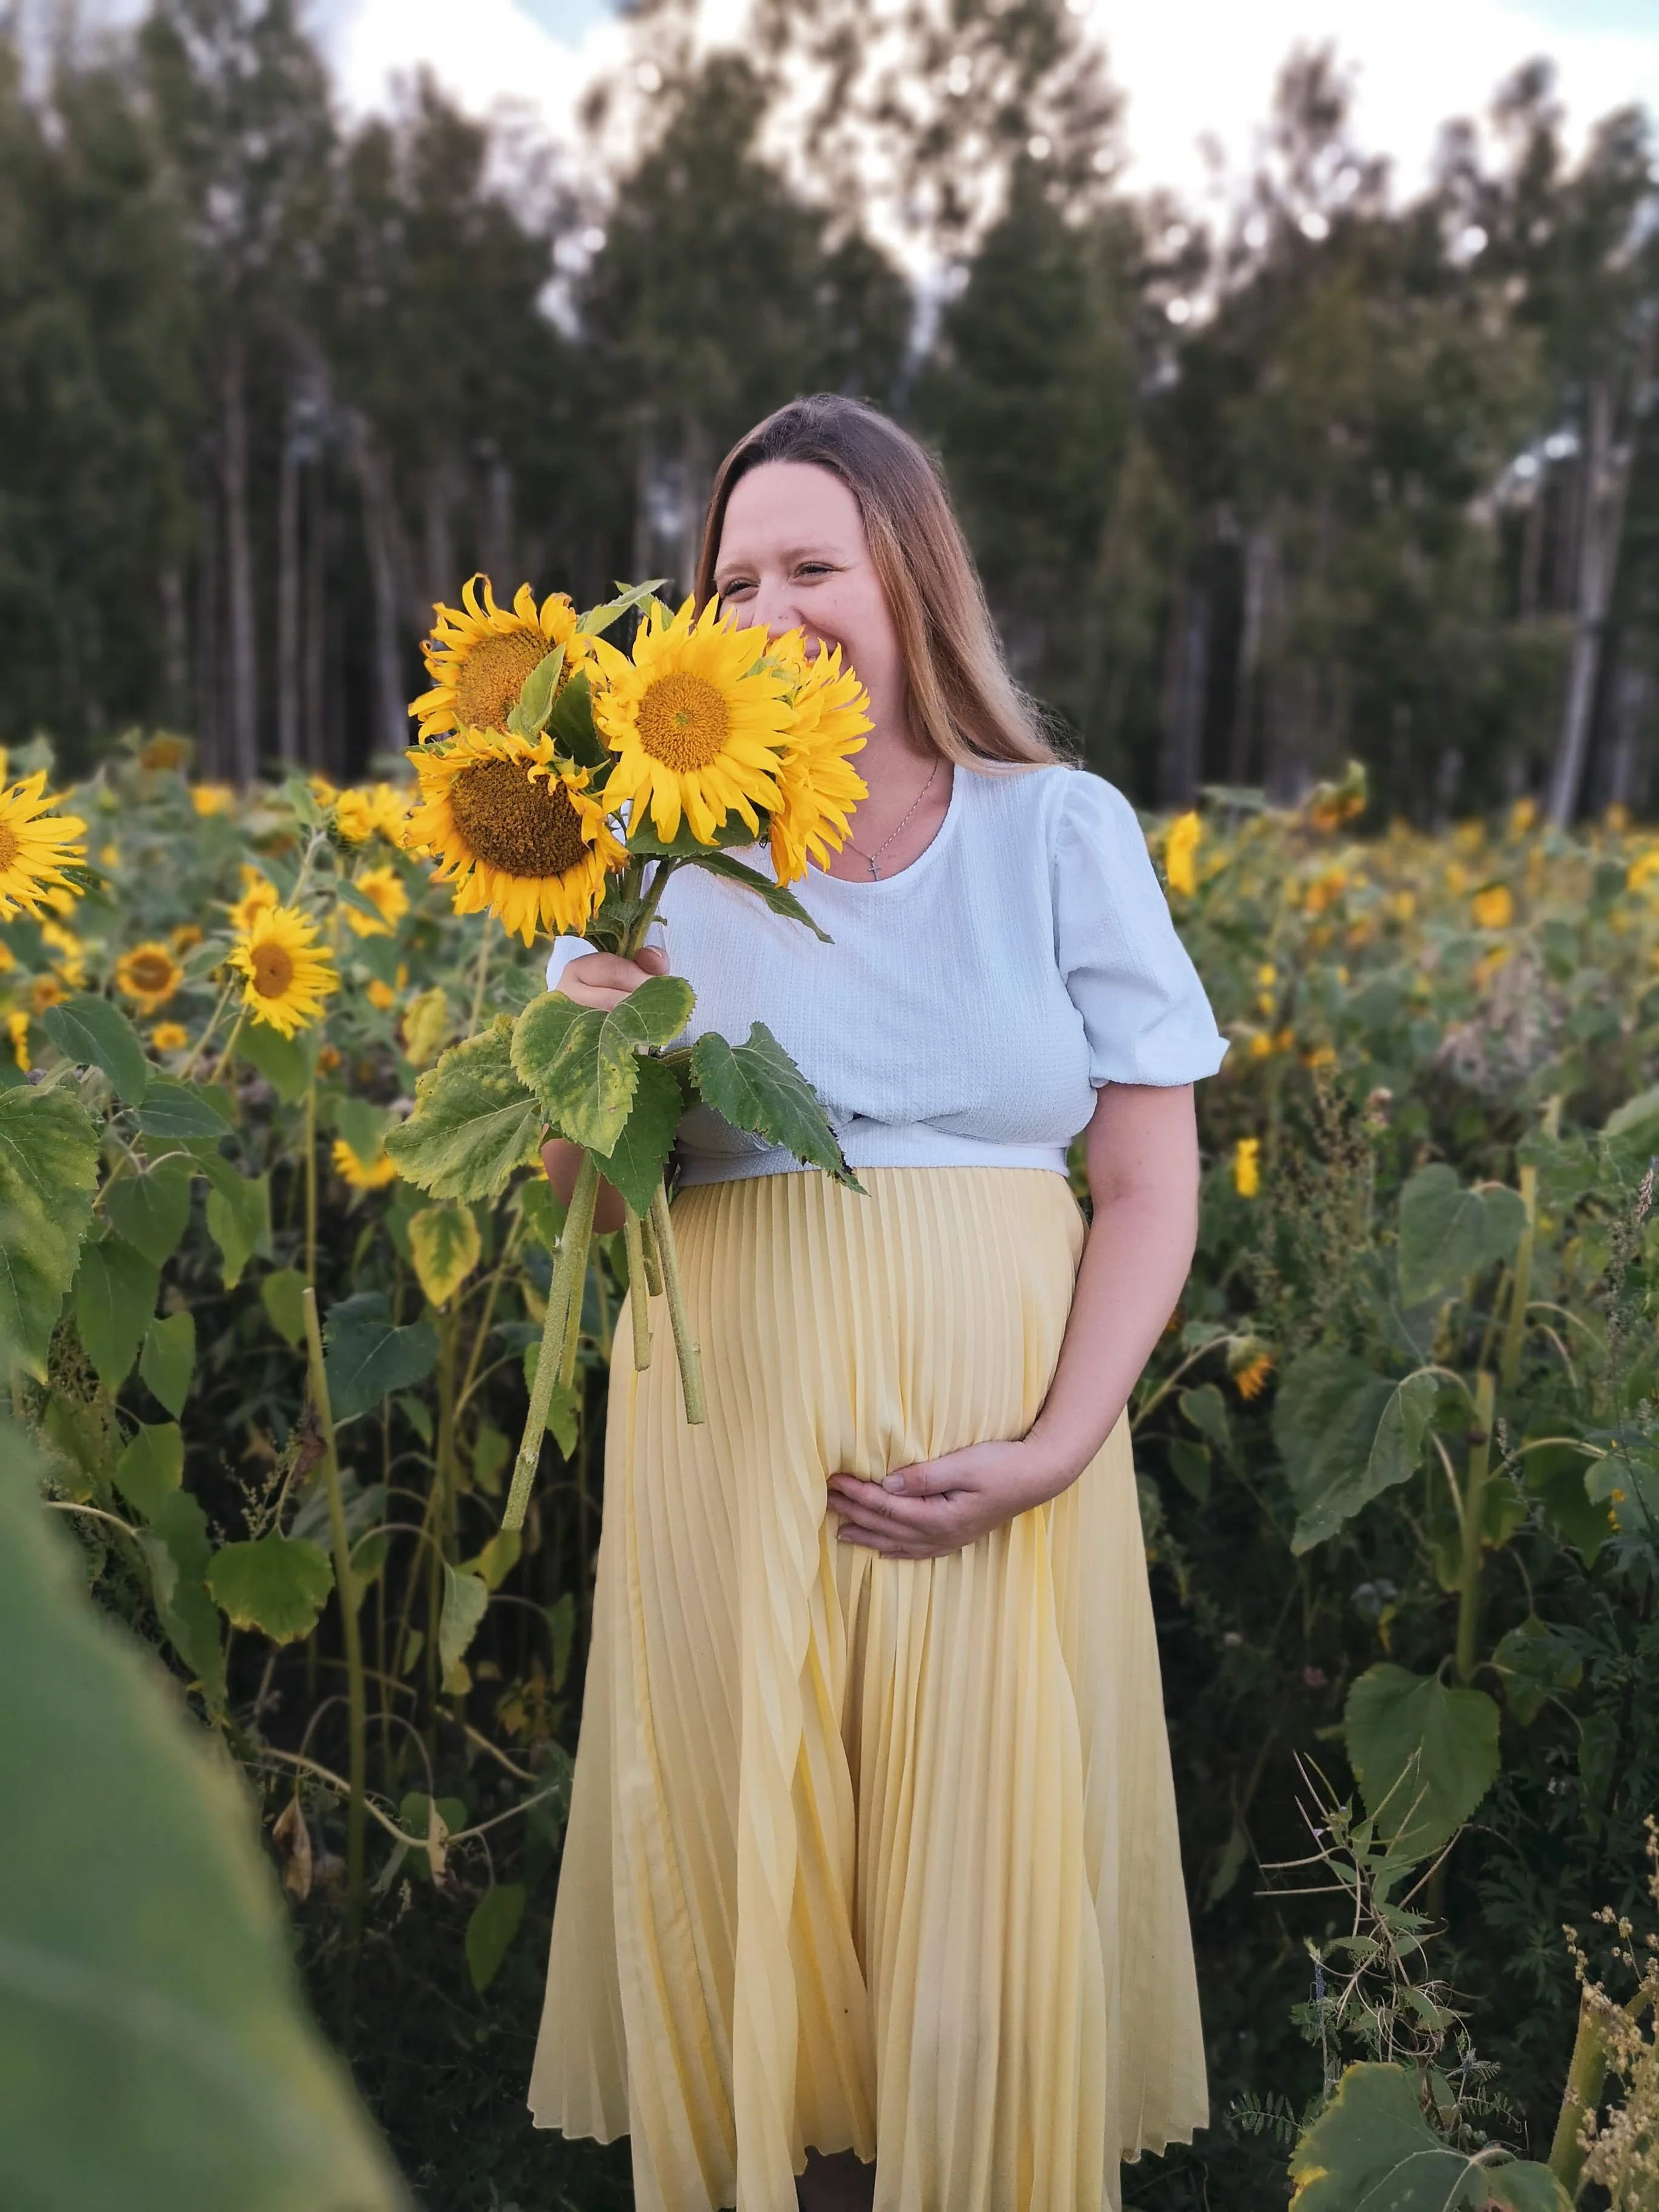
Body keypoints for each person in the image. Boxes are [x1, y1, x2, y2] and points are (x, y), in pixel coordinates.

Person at [528, 394, 1225, 2212]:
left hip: (997, 1478)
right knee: (768, 1941)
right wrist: (581, 1045)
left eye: (810, 564)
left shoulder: (1053, 830)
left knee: (969, 1966)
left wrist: (1058, 1446)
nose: (767, 606)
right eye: (730, 574)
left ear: (909, 578)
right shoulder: (650, 855)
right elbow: (590, 1198)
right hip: (724, 1460)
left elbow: (1147, 1183)